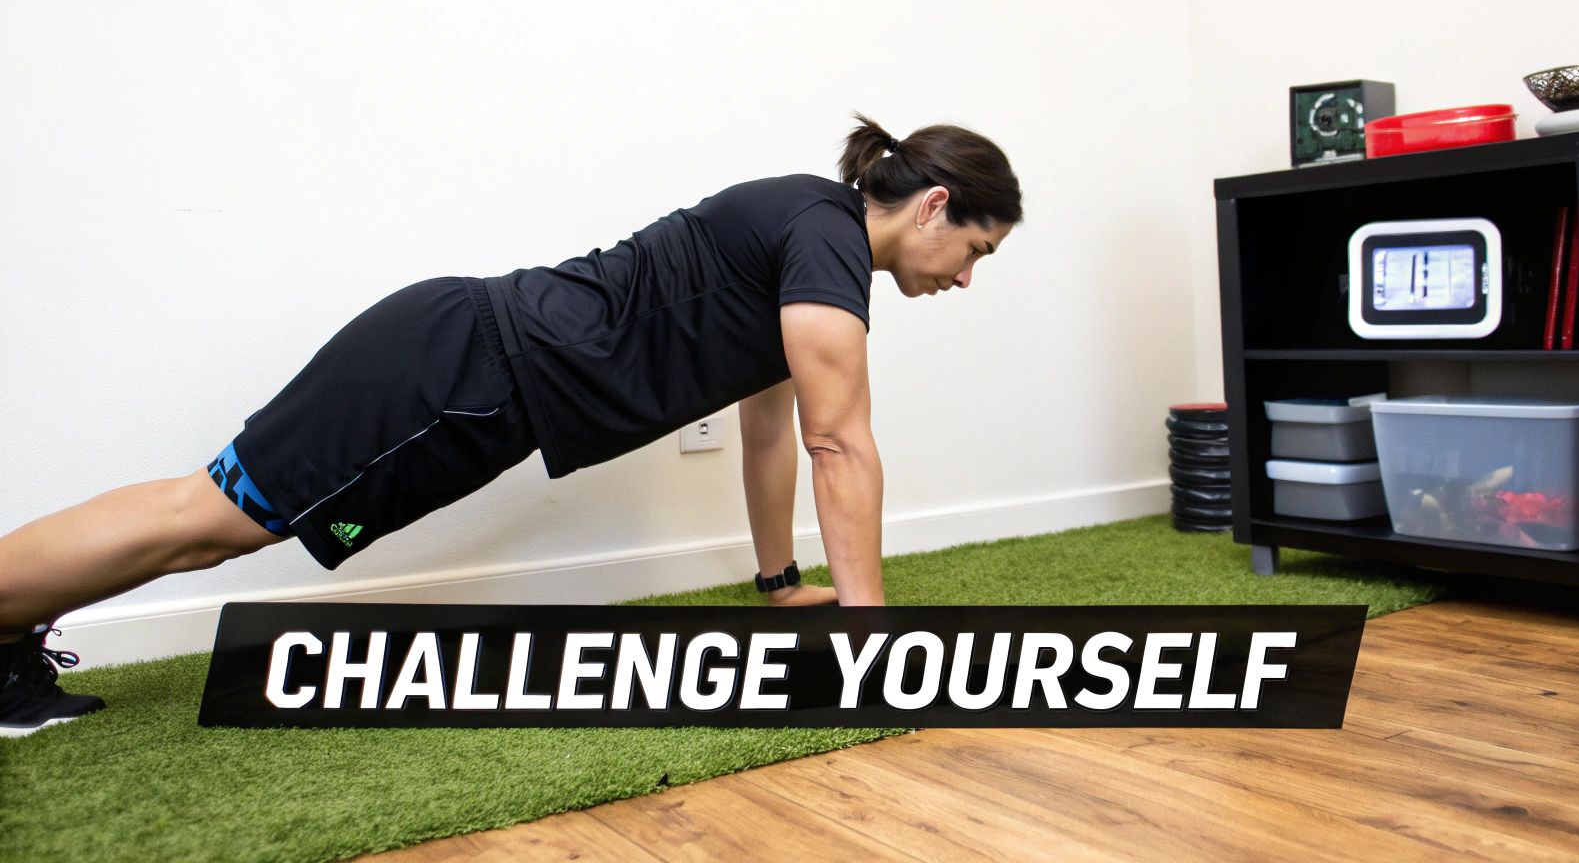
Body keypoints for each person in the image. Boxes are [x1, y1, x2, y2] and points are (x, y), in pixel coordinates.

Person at [0, 114, 1022, 735]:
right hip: (456, 374)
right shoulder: (823, 239)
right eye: (973, 248)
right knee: (210, 518)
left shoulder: (808, 231)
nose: (967, 278)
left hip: (466, 377)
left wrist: (778, 585)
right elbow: (839, 443)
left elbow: (772, 426)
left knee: (215, 521)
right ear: (932, 204)